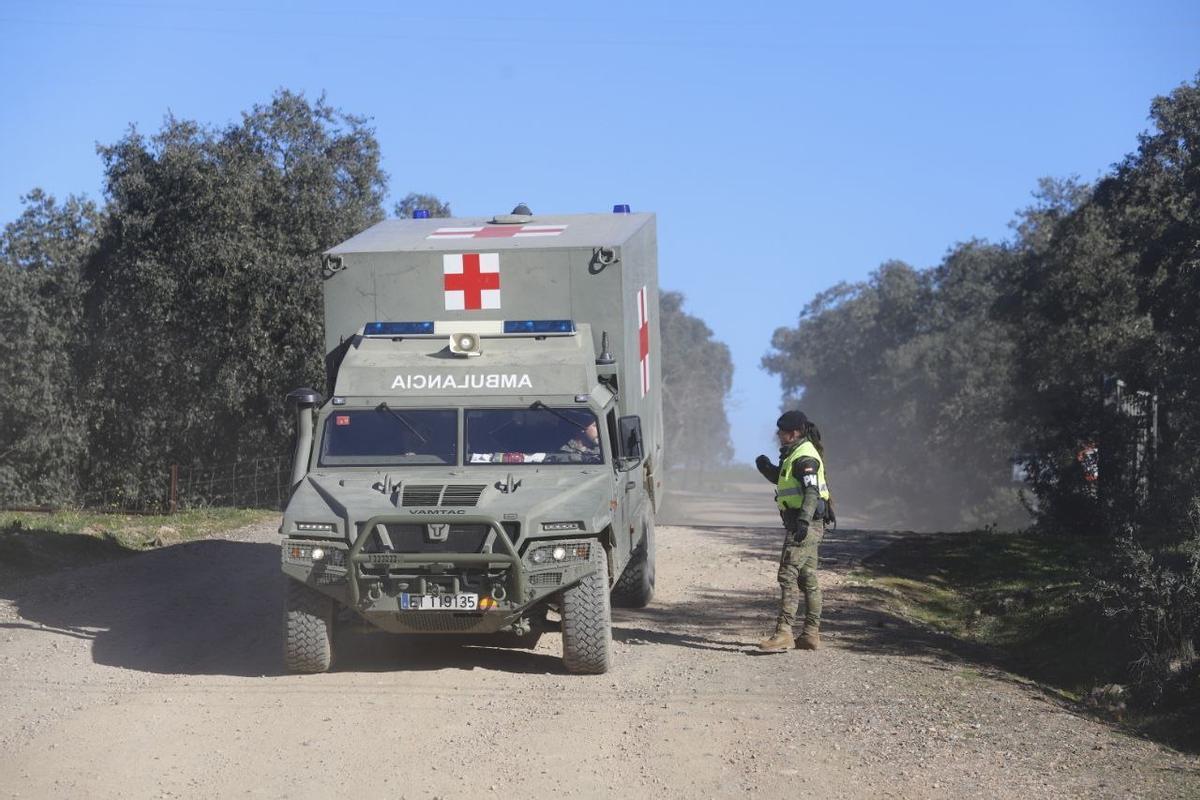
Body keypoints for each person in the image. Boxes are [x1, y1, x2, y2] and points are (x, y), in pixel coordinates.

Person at [753, 410, 832, 652]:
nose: (778, 435)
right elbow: (786, 481)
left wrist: (804, 522)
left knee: (787, 575)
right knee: (807, 578)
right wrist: (767, 469)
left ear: (794, 432)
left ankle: (784, 633)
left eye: (782, 431)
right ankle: (810, 634)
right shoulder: (795, 454)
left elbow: (811, 492)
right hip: (808, 522)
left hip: (804, 523)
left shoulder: (805, 457)